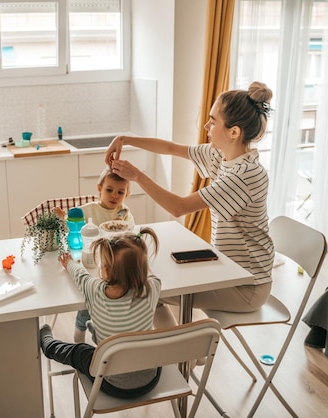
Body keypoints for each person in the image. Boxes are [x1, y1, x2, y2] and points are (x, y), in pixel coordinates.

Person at [105, 81, 275, 326]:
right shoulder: (222, 155)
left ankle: (182, 355)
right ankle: (183, 353)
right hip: (226, 268)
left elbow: (179, 207)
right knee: (155, 275)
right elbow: (170, 148)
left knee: (147, 290)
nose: (206, 125)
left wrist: (137, 176)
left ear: (234, 132)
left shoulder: (244, 175)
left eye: (213, 120)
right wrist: (125, 139)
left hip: (246, 285)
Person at [39, 227, 162, 398]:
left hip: (112, 384)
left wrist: (69, 263)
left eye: (103, 264)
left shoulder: (95, 291)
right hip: (151, 378)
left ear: (106, 271)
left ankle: (48, 345)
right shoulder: (151, 289)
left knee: (80, 351)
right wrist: (138, 266)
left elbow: (81, 276)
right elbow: (152, 278)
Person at [73, 167, 135, 343]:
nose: (114, 196)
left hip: (116, 264)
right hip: (91, 261)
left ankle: (111, 329)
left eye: (120, 192)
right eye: (109, 190)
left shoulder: (124, 213)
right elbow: (73, 227)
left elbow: (130, 234)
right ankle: (79, 329)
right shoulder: (88, 210)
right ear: (99, 189)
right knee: (90, 293)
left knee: (119, 295)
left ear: (127, 194)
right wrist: (66, 219)